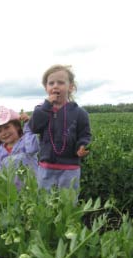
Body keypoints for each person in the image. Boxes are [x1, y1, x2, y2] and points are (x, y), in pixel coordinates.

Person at [28, 64, 91, 193]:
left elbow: (85, 135)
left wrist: (82, 146)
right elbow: (34, 127)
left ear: (71, 87)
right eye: (51, 83)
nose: (55, 86)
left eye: (61, 82)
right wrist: (46, 106)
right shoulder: (41, 110)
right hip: (46, 166)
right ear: (46, 88)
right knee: (45, 203)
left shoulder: (80, 113)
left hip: (70, 167)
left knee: (68, 202)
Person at [0, 106, 39, 189]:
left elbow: (33, 148)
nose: (4, 133)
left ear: (17, 126)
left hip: (33, 189)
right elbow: (2, 171)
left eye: (7, 127)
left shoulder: (26, 141)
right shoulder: (1, 151)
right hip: (14, 193)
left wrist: (28, 123)